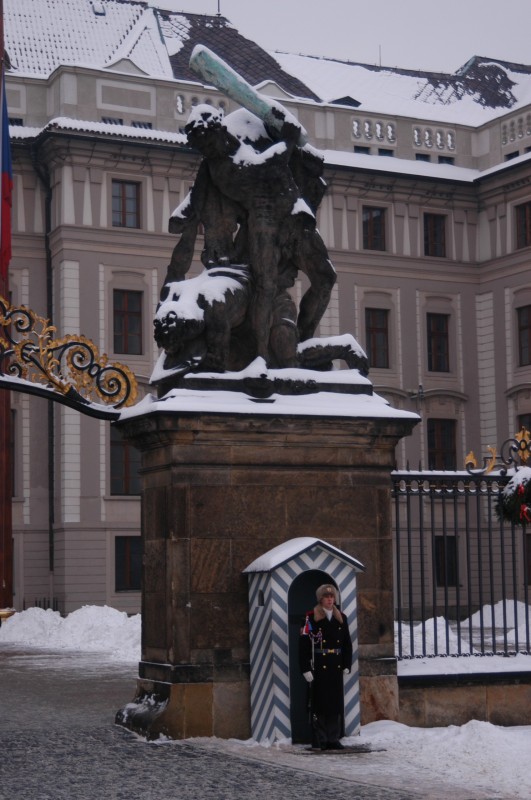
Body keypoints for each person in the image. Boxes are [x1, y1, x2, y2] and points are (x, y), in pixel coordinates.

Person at [299, 583, 352, 751]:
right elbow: (304, 645)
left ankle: (333, 738)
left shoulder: (341, 618)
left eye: (332, 597)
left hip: (334, 665)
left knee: (334, 704)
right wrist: (305, 667)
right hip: (319, 664)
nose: (330, 600)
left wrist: (346, 663)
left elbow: (346, 643)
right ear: (320, 599)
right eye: (326, 597)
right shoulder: (310, 617)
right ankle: (320, 738)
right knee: (320, 704)